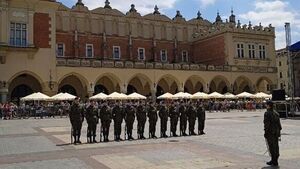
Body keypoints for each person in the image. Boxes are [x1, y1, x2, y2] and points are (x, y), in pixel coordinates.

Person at [264, 101, 282, 166]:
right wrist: (279, 132)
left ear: (269, 105)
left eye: (266, 105)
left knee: (271, 146)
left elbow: (267, 125)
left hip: (270, 132)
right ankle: (275, 160)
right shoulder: (276, 113)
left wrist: (266, 133)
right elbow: (279, 125)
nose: (266, 106)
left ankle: (274, 161)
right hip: (276, 132)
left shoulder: (267, 113)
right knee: (276, 146)